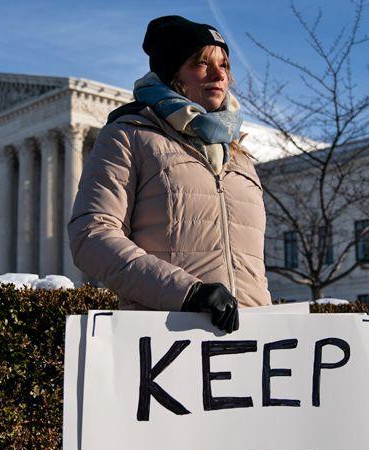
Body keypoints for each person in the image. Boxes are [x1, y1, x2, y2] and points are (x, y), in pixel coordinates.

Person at [68, 15, 270, 333]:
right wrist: (187, 293)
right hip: (167, 339)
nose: (219, 75)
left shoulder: (241, 156)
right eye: (201, 64)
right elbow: (91, 237)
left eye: (225, 65)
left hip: (252, 345)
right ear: (174, 75)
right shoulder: (130, 135)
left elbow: (252, 268)